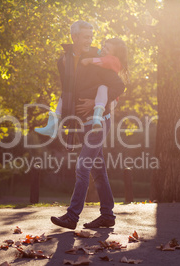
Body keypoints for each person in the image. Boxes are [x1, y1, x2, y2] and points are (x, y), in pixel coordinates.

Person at [47, 20, 126, 229]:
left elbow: (118, 85)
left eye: (91, 37)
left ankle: (72, 216)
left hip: (100, 121)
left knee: (83, 166)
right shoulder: (63, 61)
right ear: (74, 37)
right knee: (98, 170)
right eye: (85, 37)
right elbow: (68, 92)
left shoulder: (95, 59)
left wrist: (96, 102)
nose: (89, 41)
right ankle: (107, 216)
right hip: (83, 122)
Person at [35, 38, 128, 136]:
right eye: (104, 46)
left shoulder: (113, 61)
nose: (103, 49)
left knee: (103, 87)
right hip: (99, 96)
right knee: (66, 93)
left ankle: (97, 118)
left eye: (107, 49)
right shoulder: (101, 55)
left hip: (110, 99)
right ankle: (52, 125)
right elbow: (94, 52)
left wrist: (89, 60)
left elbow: (107, 63)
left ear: (114, 54)